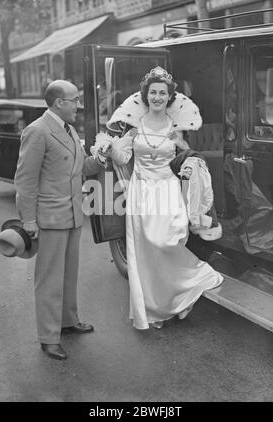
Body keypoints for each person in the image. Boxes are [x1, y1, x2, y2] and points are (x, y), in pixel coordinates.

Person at [101, 66, 223, 330]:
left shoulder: (175, 129)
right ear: (146, 96)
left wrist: (183, 146)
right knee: (146, 252)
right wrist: (111, 150)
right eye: (153, 92)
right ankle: (158, 308)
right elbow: (123, 159)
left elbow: (188, 158)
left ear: (170, 97)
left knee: (167, 242)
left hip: (167, 190)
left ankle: (187, 289)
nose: (157, 97)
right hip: (141, 192)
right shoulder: (134, 129)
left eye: (162, 93)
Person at [14, 80, 104, 360]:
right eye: (75, 100)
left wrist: (99, 159)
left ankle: (67, 321)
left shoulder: (67, 129)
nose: (79, 104)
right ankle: (49, 337)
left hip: (73, 215)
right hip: (50, 218)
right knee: (49, 279)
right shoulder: (38, 131)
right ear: (58, 103)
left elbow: (77, 169)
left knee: (68, 274)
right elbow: (25, 180)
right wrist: (28, 220)